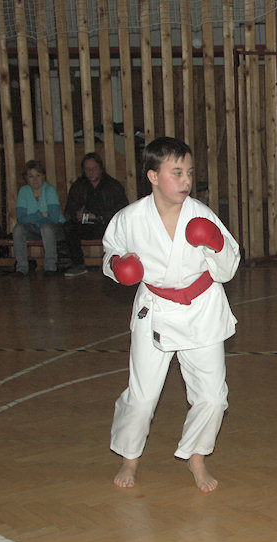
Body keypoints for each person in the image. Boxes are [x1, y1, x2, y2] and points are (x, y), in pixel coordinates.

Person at [102, 137, 240, 493]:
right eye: (176, 173)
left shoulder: (201, 216)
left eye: (189, 173)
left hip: (201, 308)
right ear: (152, 175)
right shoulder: (130, 219)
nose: (186, 180)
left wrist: (216, 243)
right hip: (155, 309)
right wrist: (117, 265)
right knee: (143, 396)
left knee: (213, 398)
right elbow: (110, 253)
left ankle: (197, 456)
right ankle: (129, 457)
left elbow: (228, 270)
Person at [62, 152, 128, 277]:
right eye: (87, 169)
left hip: (106, 225)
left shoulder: (113, 186)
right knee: (68, 227)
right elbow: (69, 209)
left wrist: (99, 216)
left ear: (101, 169)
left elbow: (122, 210)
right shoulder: (78, 186)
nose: (91, 172)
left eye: (94, 168)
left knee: (117, 230)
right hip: (85, 226)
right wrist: (77, 214)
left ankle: (115, 264)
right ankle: (78, 265)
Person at [12, 160, 65, 276]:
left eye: (38, 175)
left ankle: (50, 267)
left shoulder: (50, 190)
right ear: (26, 178)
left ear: (43, 176)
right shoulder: (24, 191)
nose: (35, 179)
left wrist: (33, 219)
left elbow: (54, 218)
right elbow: (21, 218)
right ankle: (21, 267)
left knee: (46, 228)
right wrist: (41, 215)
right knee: (18, 229)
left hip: (55, 228)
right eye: (31, 176)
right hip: (34, 228)